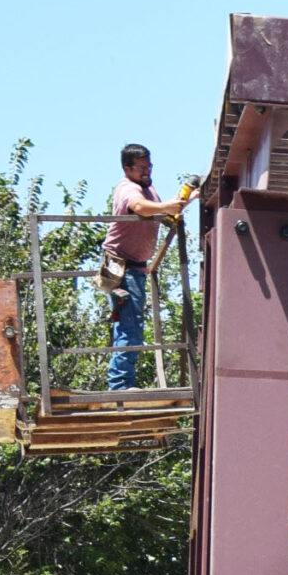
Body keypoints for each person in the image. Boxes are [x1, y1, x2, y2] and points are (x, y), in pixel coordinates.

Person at [102, 145, 190, 391]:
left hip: (135, 269)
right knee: (129, 329)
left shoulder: (148, 189)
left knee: (132, 327)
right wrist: (167, 207)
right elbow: (139, 208)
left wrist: (177, 207)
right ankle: (119, 387)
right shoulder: (128, 189)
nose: (146, 171)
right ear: (127, 168)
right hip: (122, 269)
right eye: (141, 168)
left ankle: (121, 384)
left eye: (149, 166)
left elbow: (156, 213)